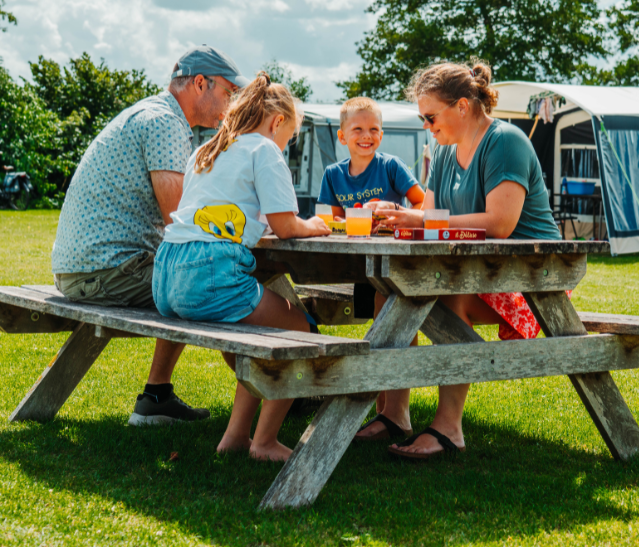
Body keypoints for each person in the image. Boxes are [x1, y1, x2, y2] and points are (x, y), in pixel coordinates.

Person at [359, 61, 562, 459]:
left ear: (464, 107)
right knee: (388, 292)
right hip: (476, 271)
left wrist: (419, 218)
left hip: (534, 276)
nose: (427, 126)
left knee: (448, 299)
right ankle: (395, 413)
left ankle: (449, 427)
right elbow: (432, 220)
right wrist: (397, 217)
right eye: (423, 118)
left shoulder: (506, 141)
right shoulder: (444, 150)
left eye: (431, 116)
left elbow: (500, 223)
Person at [52, 45, 248, 426]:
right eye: (228, 93)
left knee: (183, 271)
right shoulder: (165, 123)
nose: (231, 106)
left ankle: (157, 395)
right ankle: (280, 388)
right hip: (106, 272)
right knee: (207, 278)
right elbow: (179, 218)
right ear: (200, 83)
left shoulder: (155, 114)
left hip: (87, 268)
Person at [152, 73, 331, 461]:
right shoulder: (263, 150)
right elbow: (286, 225)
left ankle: (235, 438)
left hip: (167, 274)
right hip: (208, 274)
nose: (287, 145)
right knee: (299, 330)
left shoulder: (211, 148)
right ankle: (264, 443)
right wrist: (314, 225)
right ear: (277, 122)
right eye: (290, 137)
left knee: (259, 336)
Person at [318, 96, 425, 322]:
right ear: (342, 136)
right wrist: (346, 223)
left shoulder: (391, 166)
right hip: (357, 258)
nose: (367, 135)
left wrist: (396, 212)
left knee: (392, 304)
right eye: (357, 129)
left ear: (381, 135)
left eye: (374, 129)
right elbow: (331, 221)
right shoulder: (332, 174)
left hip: (395, 255)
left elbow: (422, 203)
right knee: (377, 312)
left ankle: (399, 355)